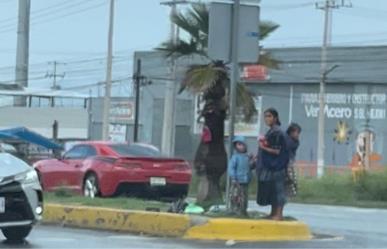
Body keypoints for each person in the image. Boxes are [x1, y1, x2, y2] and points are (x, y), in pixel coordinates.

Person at [256, 108, 289, 221]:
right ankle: (273, 213)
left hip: (277, 167)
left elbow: (277, 151)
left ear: (275, 118)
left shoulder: (277, 132)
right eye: (265, 116)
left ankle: (279, 215)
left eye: (269, 116)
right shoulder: (271, 131)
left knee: (279, 190)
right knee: (272, 191)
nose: (267, 119)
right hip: (271, 167)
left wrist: (263, 147)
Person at [228, 136, 253, 216]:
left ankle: (243, 210)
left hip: (245, 180)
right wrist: (233, 177)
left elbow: (250, 167)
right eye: (238, 144)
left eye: (242, 144)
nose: (240, 146)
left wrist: (253, 162)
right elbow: (231, 168)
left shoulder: (247, 157)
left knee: (244, 197)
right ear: (235, 146)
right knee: (236, 196)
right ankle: (235, 210)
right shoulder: (235, 157)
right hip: (237, 181)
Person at [285, 123, 302, 198]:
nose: (297, 134)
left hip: (289, 163)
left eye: (298, 133)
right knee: (289, 178)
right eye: (296, 132)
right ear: (291, 132)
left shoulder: (295, 142)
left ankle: (290, 194)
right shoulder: (286, 140)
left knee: (292, 179)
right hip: (285, 163)